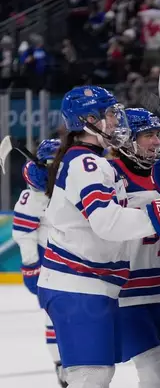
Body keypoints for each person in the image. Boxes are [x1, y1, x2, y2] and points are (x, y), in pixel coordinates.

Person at [36, 86, 160, 388]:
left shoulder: (88, 161)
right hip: (79, 285)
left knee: (98, 376)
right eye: (110, 115)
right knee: (90, 378)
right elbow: (108, 222)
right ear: (88, 120)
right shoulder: (87, 163)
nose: (116, 121)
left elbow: (122, 208)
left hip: (92, 287)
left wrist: (159, 192)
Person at [112, 108, 160, 388]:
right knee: (155, 375)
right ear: (126, 139)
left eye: (157, 135)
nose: (156, 142)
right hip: (129, 296)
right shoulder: (108, 174)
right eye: (147, 135)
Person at [12, 139, 67, 387]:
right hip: (50, 267)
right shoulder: (33, 195)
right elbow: (24, 234)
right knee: (53, 318)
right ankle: (60, 365)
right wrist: (31, 266)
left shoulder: (72, 185)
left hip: (79, 263)